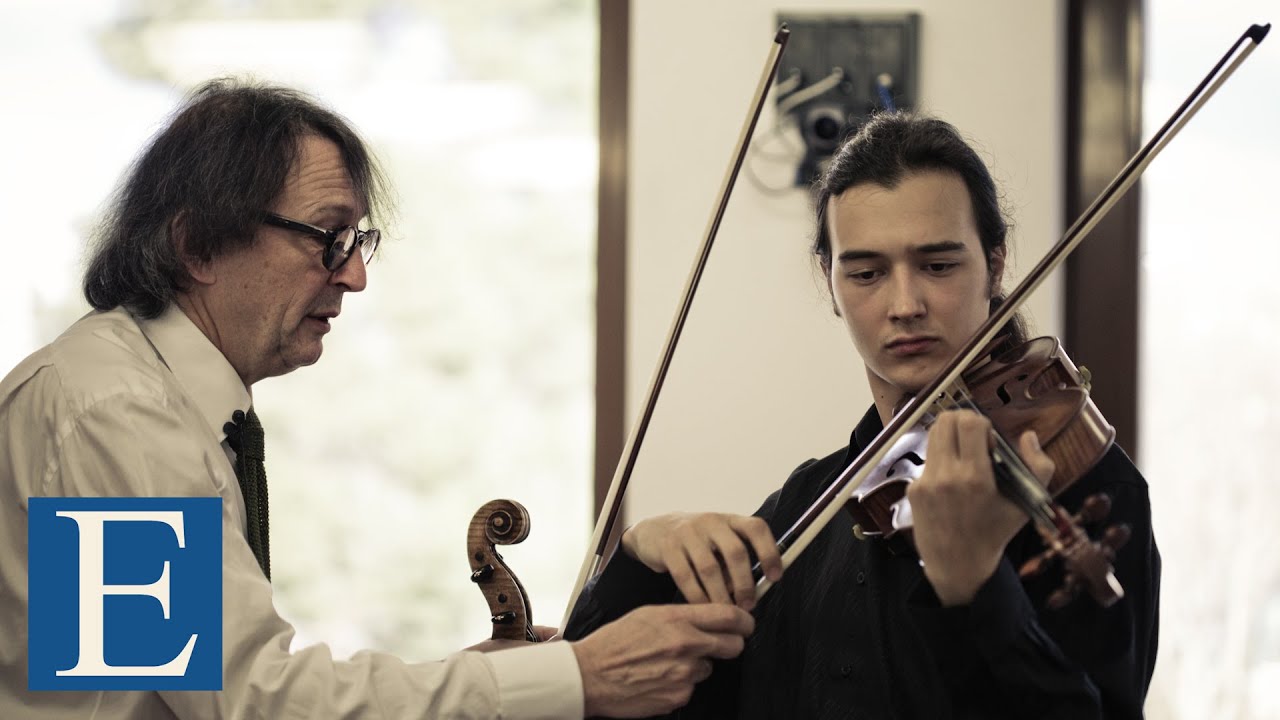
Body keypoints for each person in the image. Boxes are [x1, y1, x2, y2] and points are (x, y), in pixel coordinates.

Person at [0, 78, 756, 719]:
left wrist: (481, 679)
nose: (355, 275)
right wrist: (571, 680)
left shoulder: (145, 398)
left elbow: (163, 684)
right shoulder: (111, 410)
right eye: (327, 237)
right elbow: (250, 701)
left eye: (358, 241)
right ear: (196, 245)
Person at [564, 112, 1161, 718]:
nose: (905, 304)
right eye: (867, 273)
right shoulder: (807, 505)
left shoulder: (1087, 486)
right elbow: (616, 700)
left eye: (938, 265)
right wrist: (639, 553)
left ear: (996, 263)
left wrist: (978, 589)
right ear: (831, 284)